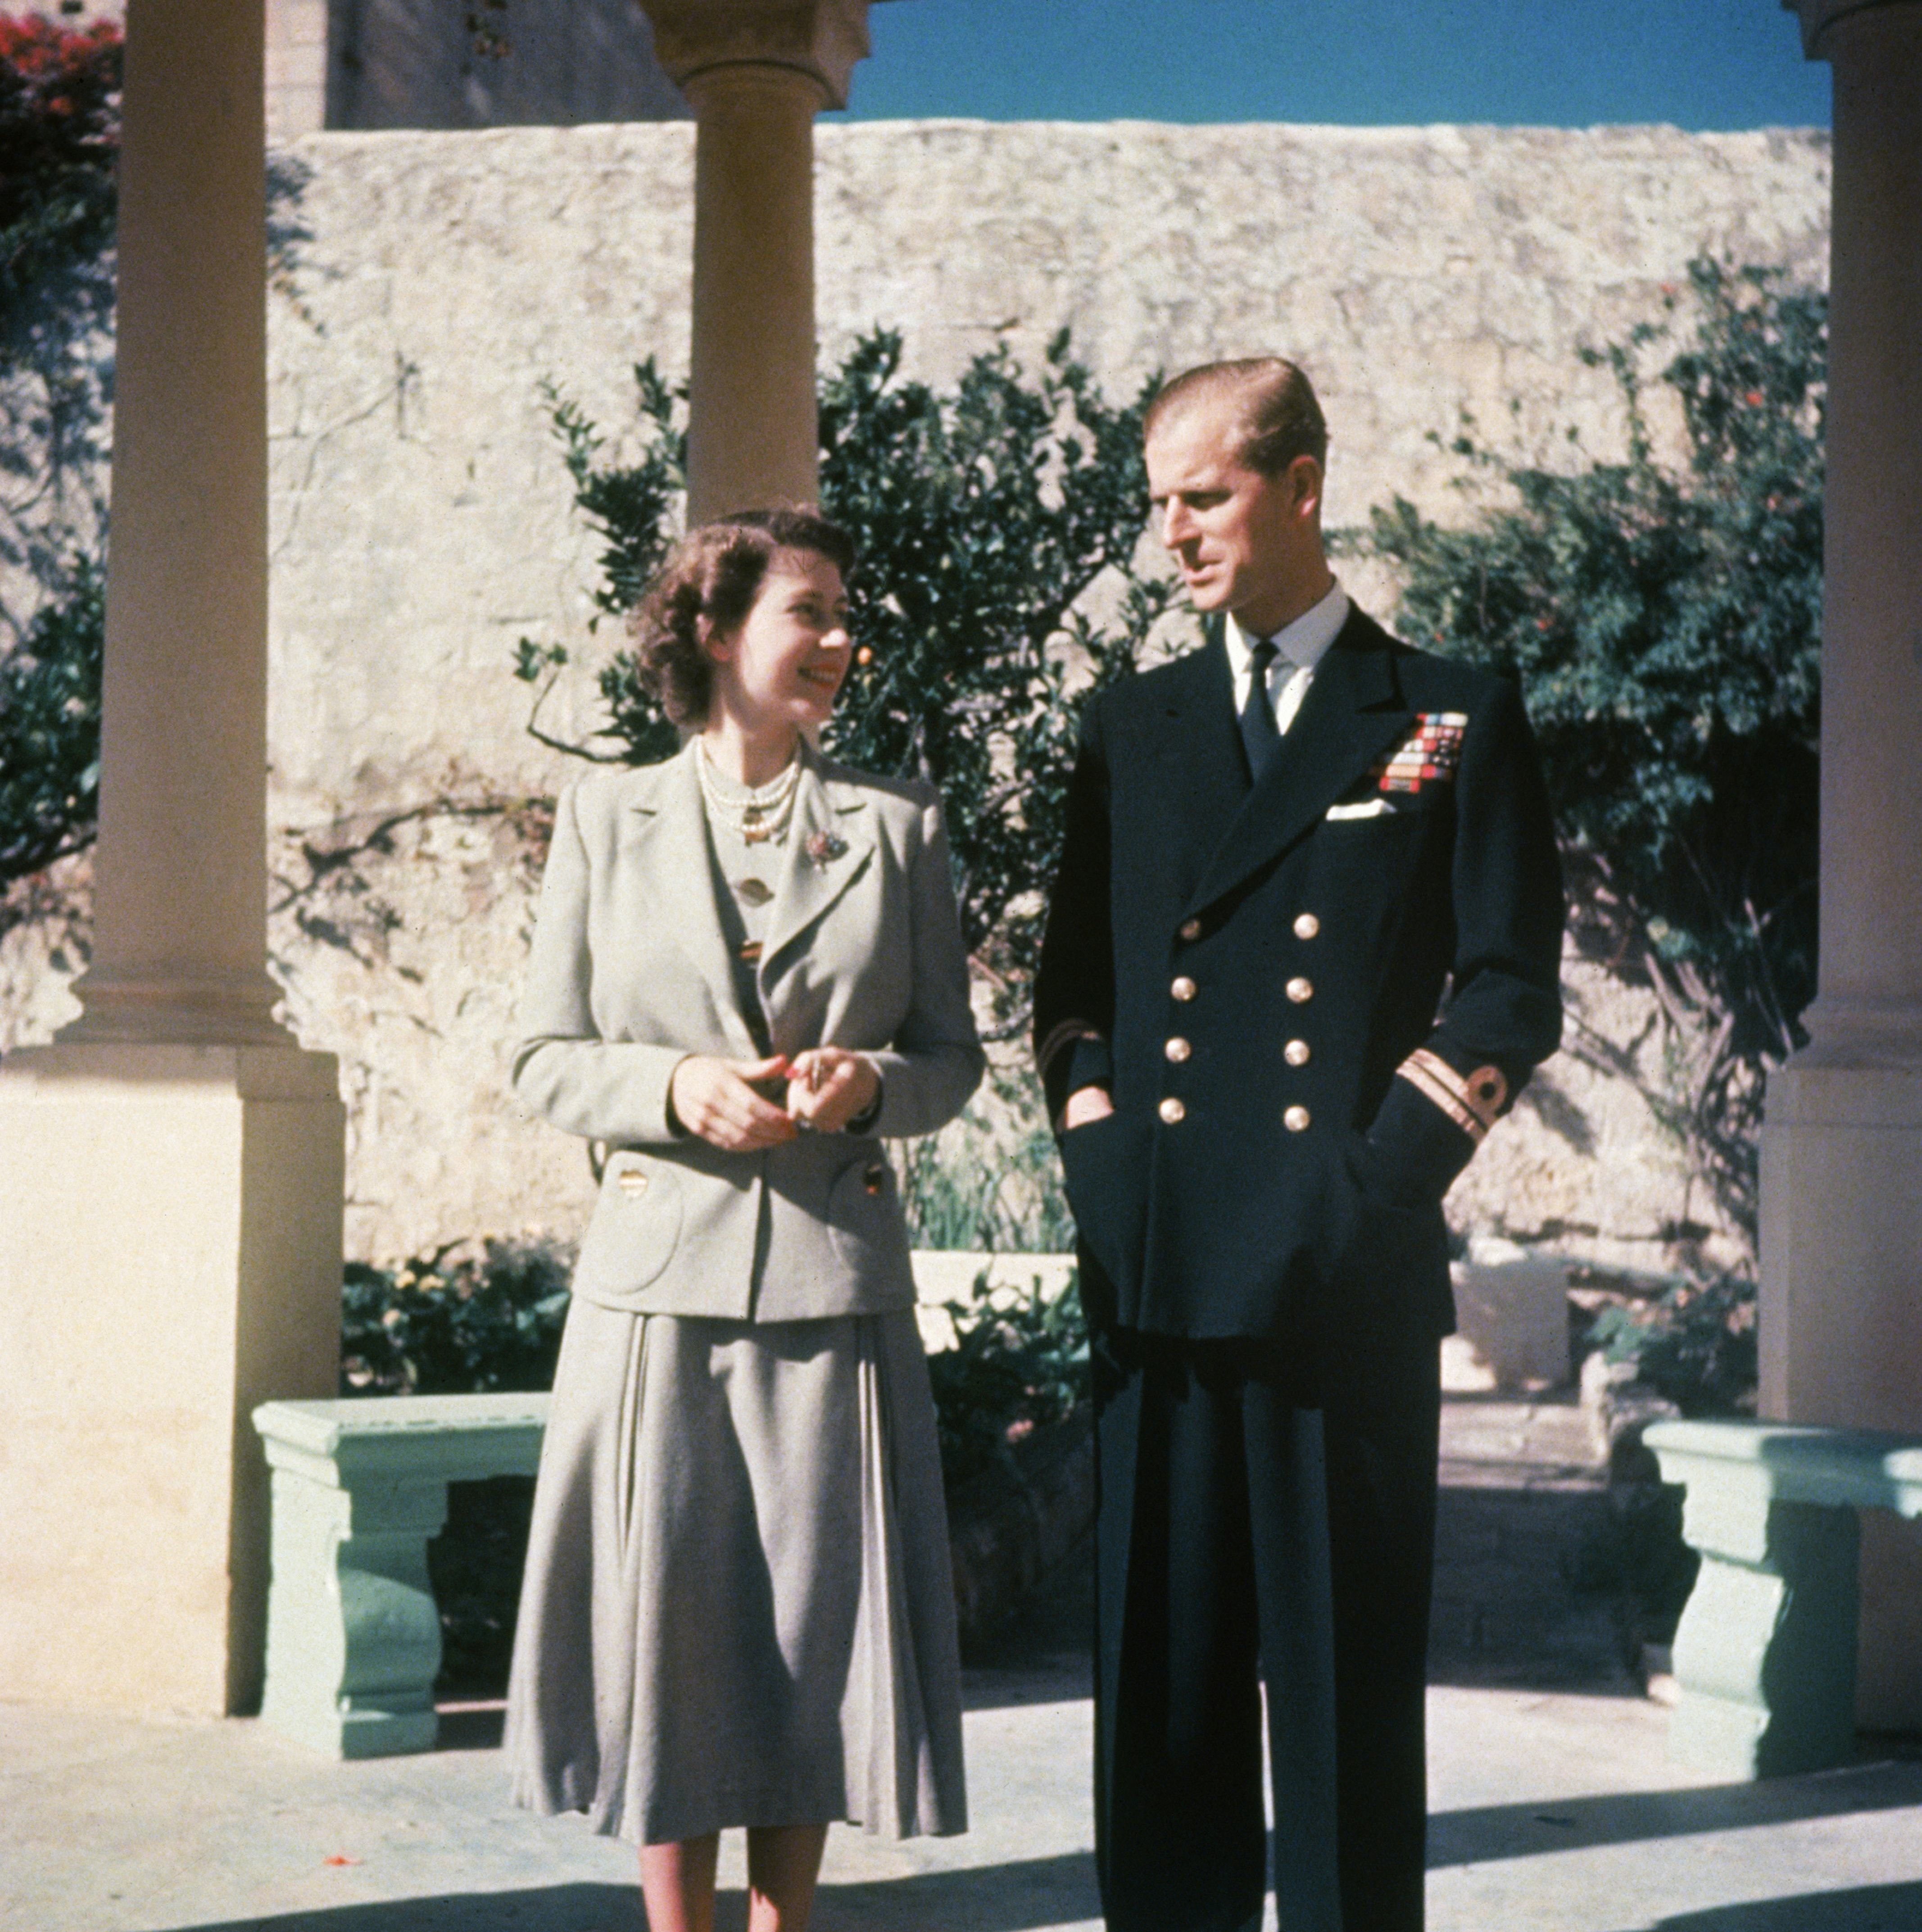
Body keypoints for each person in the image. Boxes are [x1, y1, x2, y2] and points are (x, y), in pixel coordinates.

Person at [1033, 359, 1564, 1932]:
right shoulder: (1133, 725)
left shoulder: (1446, 711)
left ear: (1302, 483)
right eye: (1156, 503)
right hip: (1162, 1272)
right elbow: (1071, 993)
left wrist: (1369, 1183)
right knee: (1164, 1714)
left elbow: (1507, 983)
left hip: (1339, 1285)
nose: (1171, 534)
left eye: (1201, 495)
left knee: (1340, 1715)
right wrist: (1104, 1160)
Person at [505, 507, 981, 1932]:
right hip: (657, 1290)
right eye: (810, 614)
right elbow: (540, 1054)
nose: (841, 641)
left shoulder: (899, 828)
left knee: (807, 1635)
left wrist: (865, 1085)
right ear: (713, 631)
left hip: (835, 1289)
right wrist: (671, 1085)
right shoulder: (606, 816)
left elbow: (951, 1059)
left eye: (846, 616)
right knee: (671, 1633)